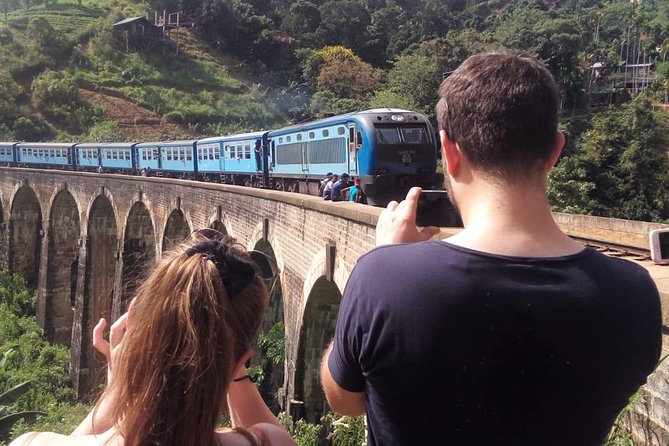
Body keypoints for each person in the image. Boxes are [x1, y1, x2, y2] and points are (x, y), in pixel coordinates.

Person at [320, 50, 662, 445]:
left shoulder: (384, 278)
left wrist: (388, 258)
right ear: (555, 150)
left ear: (448, 151)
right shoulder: (634, 294)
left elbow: (343, 398)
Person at [12, 233, 296, 446]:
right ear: (238, 364)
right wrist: (228, 361)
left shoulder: (31, 443)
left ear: (137, 336)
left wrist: (120, 386)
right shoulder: (269, 442)